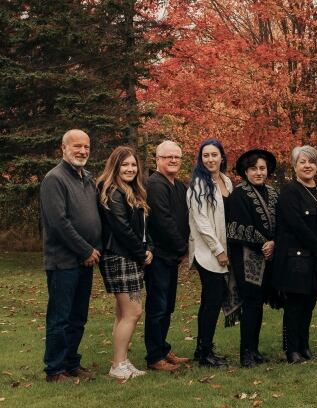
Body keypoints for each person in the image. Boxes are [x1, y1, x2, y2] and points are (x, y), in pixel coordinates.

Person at [40, 129, 102, 382]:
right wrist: (86, 249)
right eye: (77, 146)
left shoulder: (87, 178)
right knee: (60, 318)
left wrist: (93, 250)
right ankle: (54, 369)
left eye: (86, 147)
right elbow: (58, 223)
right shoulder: (54, 179)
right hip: (63, 262)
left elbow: (93, 217)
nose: (82, 151)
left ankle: (71, 362)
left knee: (78, 317)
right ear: (63, 148)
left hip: (85, 262)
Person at [97, 146, 154, 380]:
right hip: (119, 256)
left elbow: (141, 229)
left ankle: (121, 361)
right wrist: (141, 253)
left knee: (123, 313)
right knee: (133, 311)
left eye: (133, 165)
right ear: (115, 166)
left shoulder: (131, 190)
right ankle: (117, 365)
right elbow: (122, 229)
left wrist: (148, 247)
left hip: (130, 254)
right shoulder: (112, 191)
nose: (130, 169)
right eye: (125, 165)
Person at [273, 146, 317, 364]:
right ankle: (291, 349)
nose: (308, 166)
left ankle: (304, 345)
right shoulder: (290, 192)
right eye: (302, 162)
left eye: (311, 162)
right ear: (295, 166)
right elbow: (296, 224)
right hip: (296, 258)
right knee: (295, 305)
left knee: (309, 304)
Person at [225, 148, 279, 368]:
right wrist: (262, 243)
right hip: (246, 257)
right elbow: (236, 227)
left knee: (258, 305)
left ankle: (254, 350)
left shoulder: (274, 194)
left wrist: (274, 242)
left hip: (270, 256)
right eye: (253, 168)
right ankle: (246, 353)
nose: (258, 172)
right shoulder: (238, 194)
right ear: (245, 171)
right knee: (251, 303)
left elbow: (282, 222)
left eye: (262, 168)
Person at [144, 140, 190, 371]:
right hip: (159, 256)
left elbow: (186, 219)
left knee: (168, 305)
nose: (173, 160)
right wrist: (183, 248)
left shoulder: (180, 186)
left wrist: (184, 249)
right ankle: (154, 356)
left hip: (173, 257)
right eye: (168, 156)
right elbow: (164, 221)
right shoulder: (154, 184)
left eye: (177, 157)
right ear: (158, 159)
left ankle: (163, 348)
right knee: (158, 305)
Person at [187, 139, 233, 367]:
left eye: (214, 155)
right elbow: (202, 222)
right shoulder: (199, 185)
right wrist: (219, 250)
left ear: (221, 157)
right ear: (200, 159)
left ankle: (202, 349)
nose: (210, 159)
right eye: (206, 156)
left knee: (211, 300)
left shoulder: (226, 181)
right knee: (212, 301)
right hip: (207, 252)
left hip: (225, 250)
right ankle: (205, 353)